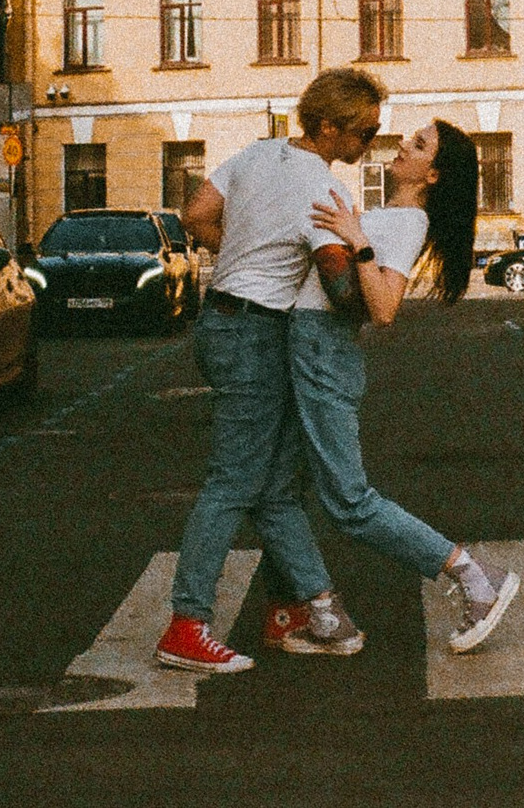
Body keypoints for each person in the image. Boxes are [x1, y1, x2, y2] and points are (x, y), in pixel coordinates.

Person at [153, 68, 385, 675]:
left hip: (220, 320)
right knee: (233, 481)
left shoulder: (255, 155)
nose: (370, 144)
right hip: (258, 333)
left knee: (271, 482)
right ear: (330, 127)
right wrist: (369, 267)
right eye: (364, 132)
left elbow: (195, 214)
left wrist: (242, 250)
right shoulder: (324, 194)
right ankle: (186, 624)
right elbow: (342, 292)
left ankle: (301, 609)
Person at [300, 118, 521, 656]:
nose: (402, 144)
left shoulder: (405, 222)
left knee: (350, 502)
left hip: (324, 354)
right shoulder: (390, 213)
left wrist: (358, 242)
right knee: (284, 491)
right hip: (312, 349)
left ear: (434, 174)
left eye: (418, 145)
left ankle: (471, 575)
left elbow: (384, 309)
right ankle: (312, 609)